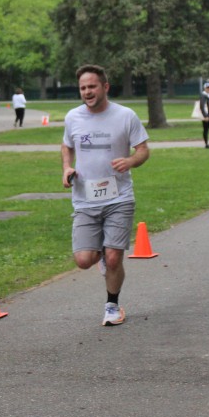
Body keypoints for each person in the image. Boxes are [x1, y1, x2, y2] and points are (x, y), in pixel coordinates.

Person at [62, 65, 150, 327]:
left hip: (118, 198)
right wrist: (67, 167)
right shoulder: (73, 117)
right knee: (83, 261)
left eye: (92, 86)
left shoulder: (125, 115)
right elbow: (67, 145)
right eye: (83, 88)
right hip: (85, 199)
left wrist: (130, 161)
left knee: (113, 258)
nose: (87, 92)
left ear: (105, 87)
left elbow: (143, 150)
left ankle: (112, 305)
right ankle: (100, 252)